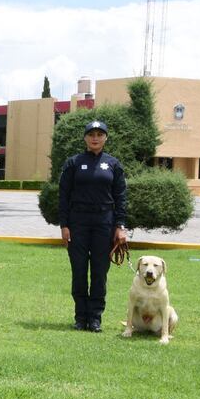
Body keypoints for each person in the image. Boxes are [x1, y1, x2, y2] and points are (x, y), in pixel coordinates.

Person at [58, 119, 128, 332]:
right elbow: (63, 195)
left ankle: (95, 318)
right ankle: (80, 317)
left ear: (106, 137)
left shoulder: (113, 164)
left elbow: (121, 196)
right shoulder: (74, 163)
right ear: (85, 138)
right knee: (79, 270)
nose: (95, 138)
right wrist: (64, 225)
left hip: (104, 223)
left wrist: (120, 225)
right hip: (78, 222)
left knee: (100, 271)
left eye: (99, 134)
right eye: (91, 134)